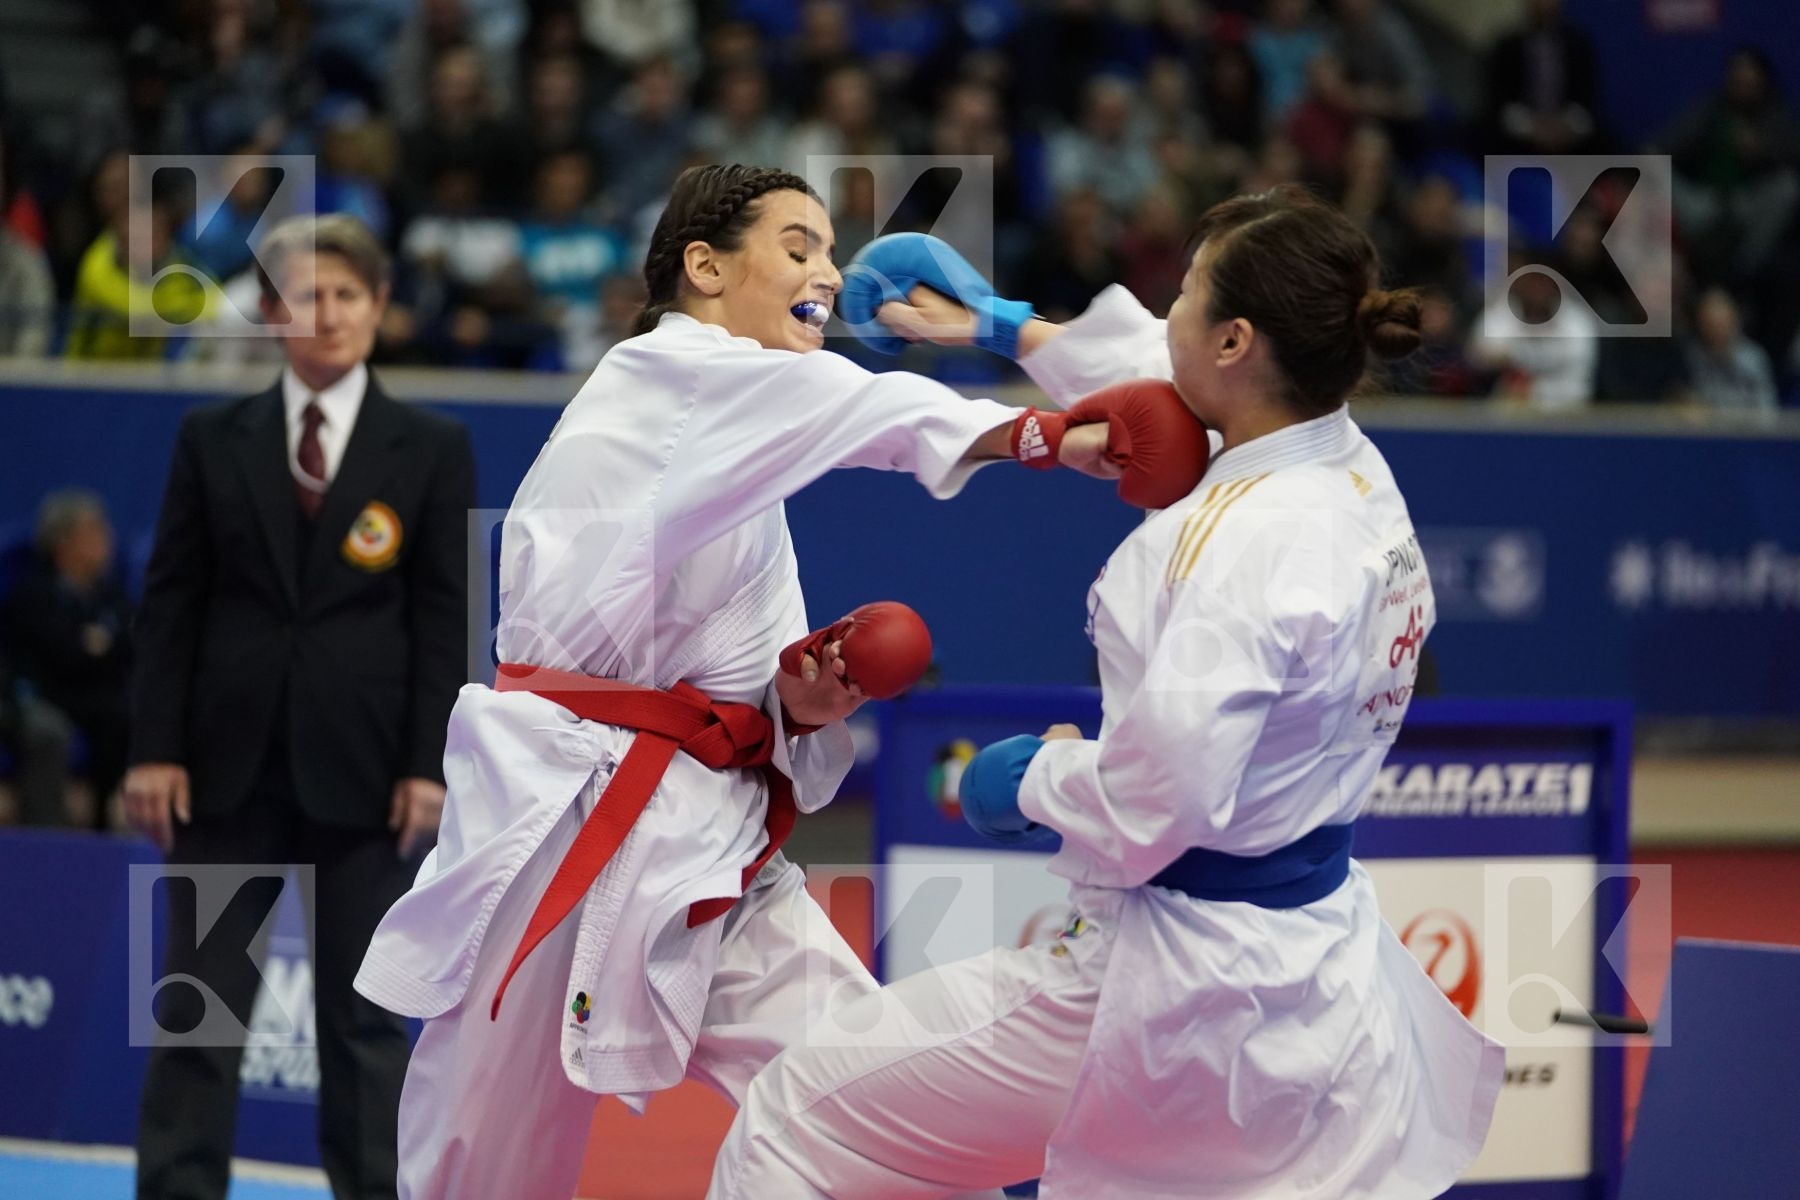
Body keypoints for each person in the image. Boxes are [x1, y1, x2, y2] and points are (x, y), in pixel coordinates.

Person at [353, 163, 1203, 1200]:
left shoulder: (746, 440)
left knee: (876, 1100)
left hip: (710, 845)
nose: (830, 273)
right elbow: (872, 409)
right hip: (560, 831)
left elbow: (745, 684)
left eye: (831, 251)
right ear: (704, 269)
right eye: (800, 247)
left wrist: (796, 700)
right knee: (479, 1169)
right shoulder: (677, 374)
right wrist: (1042, 435)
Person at [709, 186, 1505, 1199]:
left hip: (1173, 980)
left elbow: (1153, 803)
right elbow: (1163, 382)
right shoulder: (1339, 461)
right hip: (1309, 963)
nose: (1166, 312)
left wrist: (1031, 778)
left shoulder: (1247, 546)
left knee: (796, 1117)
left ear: (1235, 342)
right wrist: (1003, 326)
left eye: (1187, 296)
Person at [126, 213, 476, 1200]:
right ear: (276, 314)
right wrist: (154, 749)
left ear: (379, 311)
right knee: (199, 1013)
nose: (328, 316)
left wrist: (427, 764)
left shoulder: (431, 447)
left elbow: (442, 619)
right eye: (308, 298)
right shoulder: (211, 439)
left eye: (349, 297)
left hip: (367, 777)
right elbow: (171, 606)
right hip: (221, 767)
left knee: (364, 1026)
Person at [2, 490, 133, 829]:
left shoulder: (110, 593)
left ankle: (104, 822)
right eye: (93, 533)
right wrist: (94, 649)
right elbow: (59, 654)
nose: (106, 542)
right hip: (41, 694)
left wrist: (93, 649)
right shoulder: (33, 593)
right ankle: (45, 835)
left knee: (123, 716)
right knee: (48, 732)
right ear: (64, 544)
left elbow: (129, 646)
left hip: (96, 695)